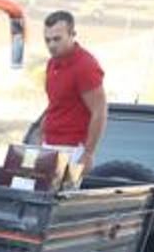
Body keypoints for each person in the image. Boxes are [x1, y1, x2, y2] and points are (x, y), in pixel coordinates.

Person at [40, 10, 106, 172]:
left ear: (72, 34)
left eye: (57, 39)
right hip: (49, 146)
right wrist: (41, 136)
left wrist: (88, 154)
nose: (52, 45)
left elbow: (100, 111)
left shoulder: (85, 66)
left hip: (72, 150)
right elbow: (55, 104)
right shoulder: (52, 64)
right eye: (47, 40)